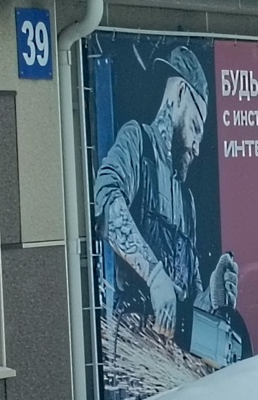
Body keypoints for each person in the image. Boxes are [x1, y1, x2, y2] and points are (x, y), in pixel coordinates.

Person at [94, 45, 238, 336]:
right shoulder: (137, 141)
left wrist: (214, 296)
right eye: (196, 127)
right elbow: (107, 202)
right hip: (131, 343)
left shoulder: (188, 203)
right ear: (180, 93)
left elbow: (191, 303)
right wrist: (154, 275)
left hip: (170, 358)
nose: (197, 147)